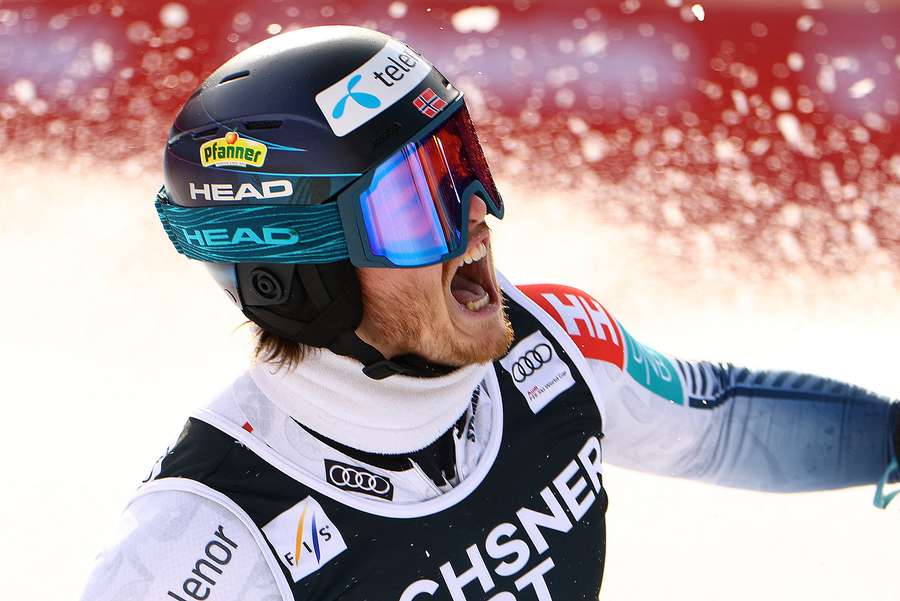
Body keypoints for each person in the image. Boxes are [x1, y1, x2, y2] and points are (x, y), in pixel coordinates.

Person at [80, 26, 899, 601]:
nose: (475, 213)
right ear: (298, 277)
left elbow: (720, 425)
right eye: (416, 200)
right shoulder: (207, 539)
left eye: (462, 161)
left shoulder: (555, 347)